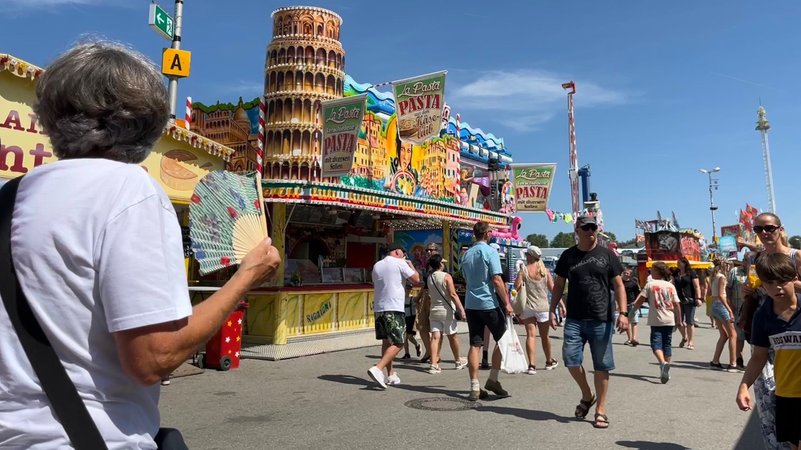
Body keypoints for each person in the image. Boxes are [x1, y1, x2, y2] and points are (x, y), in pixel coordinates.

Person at [0, 42, 282, 448]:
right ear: (147, 123)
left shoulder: (12, 198)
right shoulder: (129, 192)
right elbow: (153, 358)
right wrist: (246, 276)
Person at [550, 215, 628, 429]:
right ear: (577, 230)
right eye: (586, 228)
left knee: (602, 365)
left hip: (601, 319)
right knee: (571, 359)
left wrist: (623, 313)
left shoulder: (607, 255)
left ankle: (600, 411)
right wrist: (552, 308)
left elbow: (619, 286)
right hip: (575, 318)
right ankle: (587, 395)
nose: (590, 231)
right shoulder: (568, 256)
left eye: (593, 227)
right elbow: (558, 285)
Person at [739, 212, 800, 450]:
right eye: (758, 230)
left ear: (779, 229)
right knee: (767, 396)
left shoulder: (795, 256)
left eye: (769, 228)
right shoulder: (754, 258)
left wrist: (787, 282)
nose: (764, 234)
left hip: (795, 322)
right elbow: (758, 357)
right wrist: (750, 291)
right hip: (768, 327)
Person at [460, 221, 513, 401]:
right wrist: (506, 303)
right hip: (488, 303)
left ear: (474, 234)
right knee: (503, 339)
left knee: (475, 344)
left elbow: (465, 277)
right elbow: (497, 279)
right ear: (488, 234)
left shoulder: (466, 255)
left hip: (470, 303)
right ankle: (493, 379)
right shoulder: (490, 252)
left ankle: (474, 386)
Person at [368, 243, 420, 388]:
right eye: (403, 253)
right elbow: (416, 278)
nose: (404, 255)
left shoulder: (377, 265)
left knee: (386, 342)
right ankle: (378, 368)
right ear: (397, 252)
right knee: (399, 342)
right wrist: (409, 265)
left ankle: (391, 374)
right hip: (394, 308)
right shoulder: (400, 263)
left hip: (380, 308)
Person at [628, 262, 683, 384]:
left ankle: (663, 363)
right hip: (669, 319)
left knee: (656, 344)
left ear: (658, 272)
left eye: (652, 270)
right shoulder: (670, 286)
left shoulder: (650, 285)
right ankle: (665, 368)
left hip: (656, 320)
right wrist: (679, 320)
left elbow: (640, 300)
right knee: (667, 344)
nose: (650, 272)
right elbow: (676, 304)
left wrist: (632, 312)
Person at [514, 245, 559, 374]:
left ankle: (532, 365)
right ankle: (549, 361)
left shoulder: (524, 270)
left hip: (528, 307)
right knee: (545, 337)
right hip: (543, 307)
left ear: (529, 256)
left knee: (531, 336)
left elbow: (516, 287)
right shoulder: (544, 271)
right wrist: (560, 304)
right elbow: (553, 289)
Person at [425, 254, 467, 373]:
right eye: (442, 262)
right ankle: (457, 361)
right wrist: (461, 309)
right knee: (452, 336)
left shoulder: (429, 277)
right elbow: (453, 294)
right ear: (440, 264)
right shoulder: (446, 276)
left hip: (434, 310)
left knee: (435, 337)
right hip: (447, 310)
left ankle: (433, 364)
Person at [709, 259, 740, 372]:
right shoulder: (722, 276)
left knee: (724, 335)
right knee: (733, 335)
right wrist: (729, 310)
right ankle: (733, 364)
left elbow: (711, 293)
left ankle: (715, 361)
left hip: (714, 305)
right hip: (721, 305)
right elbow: (722, 295)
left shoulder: (714, 276)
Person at [414, 243, 441, 363]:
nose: (429, 252)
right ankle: (429, 351)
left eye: (432, 250)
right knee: (422, 325)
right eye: (427, 250)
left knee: (436, 327)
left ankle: (435, 354)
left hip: (434, 296)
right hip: (425, 295)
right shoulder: (427, 263)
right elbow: (425, 283)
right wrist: (419, 296)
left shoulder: (440, 263)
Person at [674, 257, 701, 350]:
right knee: (678, 321)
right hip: (678, 300)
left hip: (689, 300)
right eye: (677, 262)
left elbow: (697, 286)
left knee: (689, 322)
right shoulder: (675, 273)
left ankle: (690, 341)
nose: (678, 264)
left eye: (679, 262)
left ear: (685, 263)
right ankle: (684, 336)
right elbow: (672, 284)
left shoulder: (691, 273)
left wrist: (698, 298)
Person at [726, 260, 748, 370]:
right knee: (739, 336)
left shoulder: (757, 271)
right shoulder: (735, 271)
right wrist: (729, 302)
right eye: (746, 260)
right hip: (738, 308)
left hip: (753, 309)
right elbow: (728, 287)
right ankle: (738, 358)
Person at [621, 267, 642, 346]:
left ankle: (634, 338)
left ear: (630, 275)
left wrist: (636, 301)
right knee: (627, 322)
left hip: (632, 303)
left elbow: (639, 293)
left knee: (634, 322)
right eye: (625, 273)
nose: (626, 275)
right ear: (623, 273)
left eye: (628, 274)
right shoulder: (620, 282)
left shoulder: (633, 283)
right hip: (624, 304)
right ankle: (629, 339)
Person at [401, 285, 421, 360]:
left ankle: (417, 344)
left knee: (410, 337)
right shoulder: (401, 299)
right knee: (404, 337)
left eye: (409, 289)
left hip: (411, 319)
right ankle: (407, 353)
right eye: (406, 288)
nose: (407, 290)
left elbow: (418, 306)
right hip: (404, 318)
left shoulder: (413, 299)